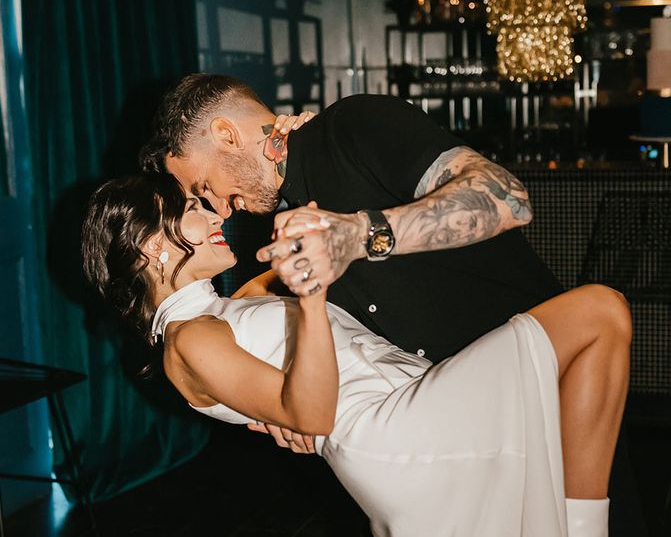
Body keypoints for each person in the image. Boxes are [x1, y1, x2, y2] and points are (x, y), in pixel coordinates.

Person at [139, 74, 641, 534]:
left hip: (559, 384)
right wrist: (276, 404)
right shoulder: (291, 224)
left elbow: (506, 198)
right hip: (453, 433)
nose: (220, 208)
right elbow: (240, 311)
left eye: (207, 187)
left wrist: (362, 235)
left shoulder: (354, 126)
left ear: (227, 135)